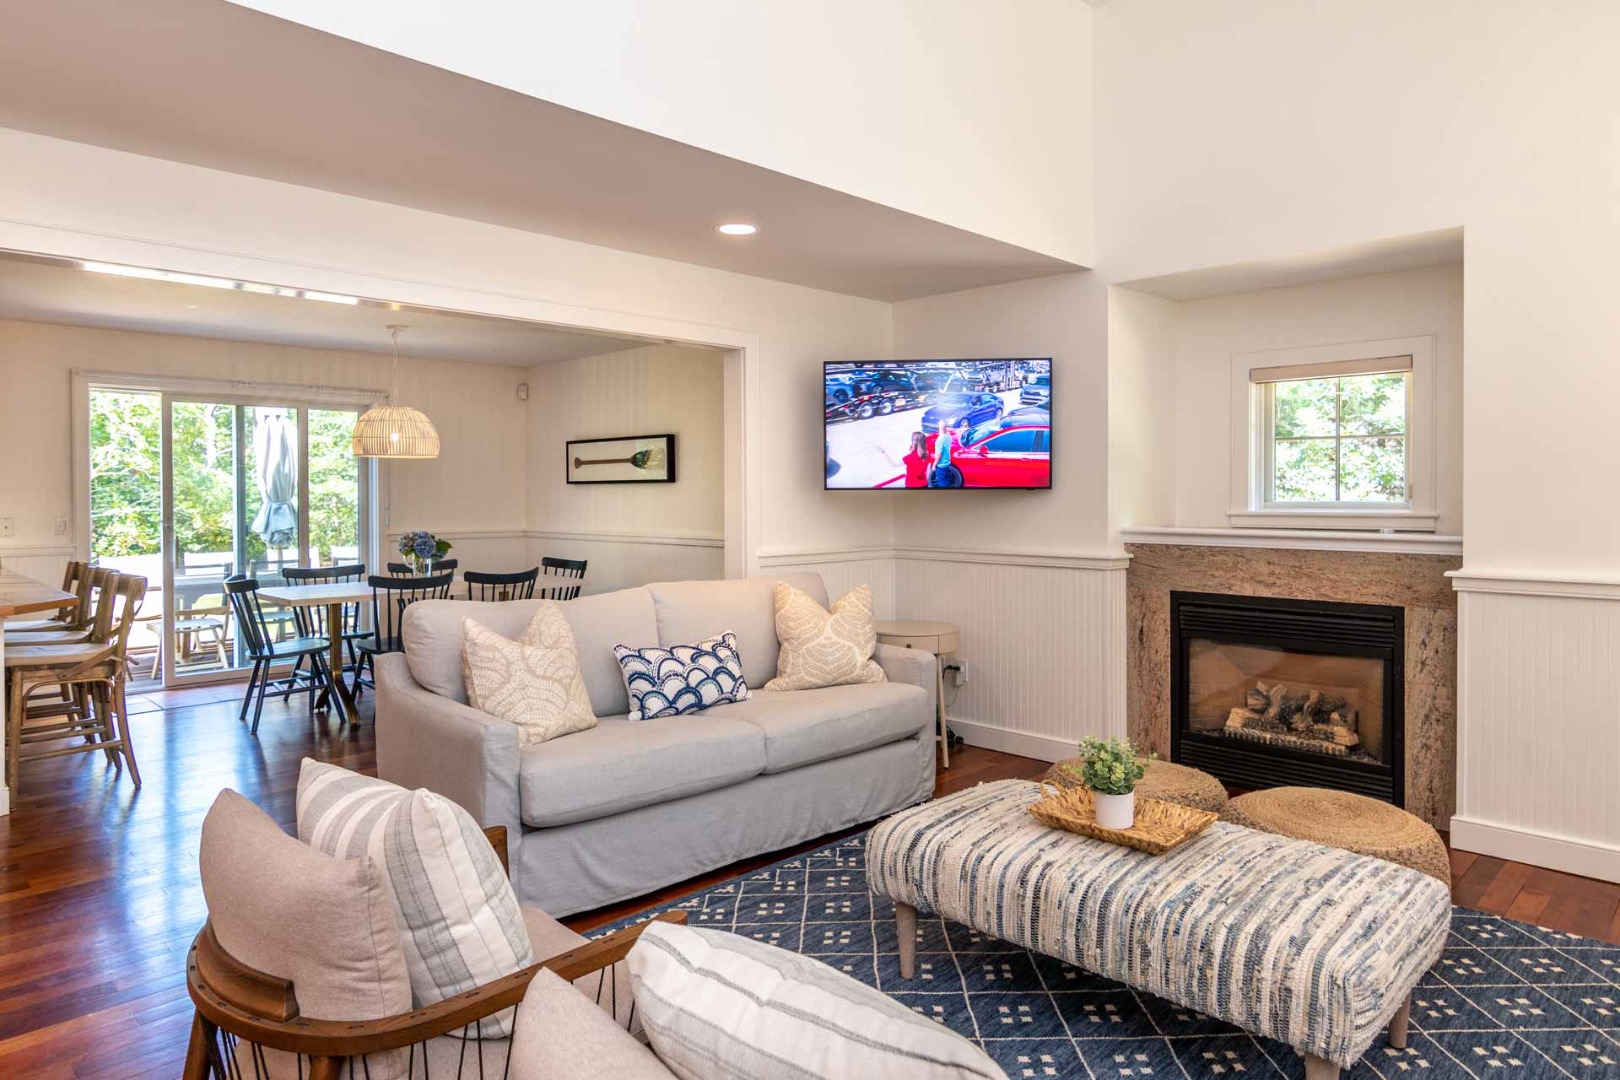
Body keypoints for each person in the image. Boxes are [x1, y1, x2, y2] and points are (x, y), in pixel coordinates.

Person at [928, 422, 963, 488]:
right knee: (946, 478)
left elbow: (939, 454)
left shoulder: (940, 440)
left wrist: (934, 464)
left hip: (941, 464)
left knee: (941, 481)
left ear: (939, 428)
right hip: (947, 462)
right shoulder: (948, 435)